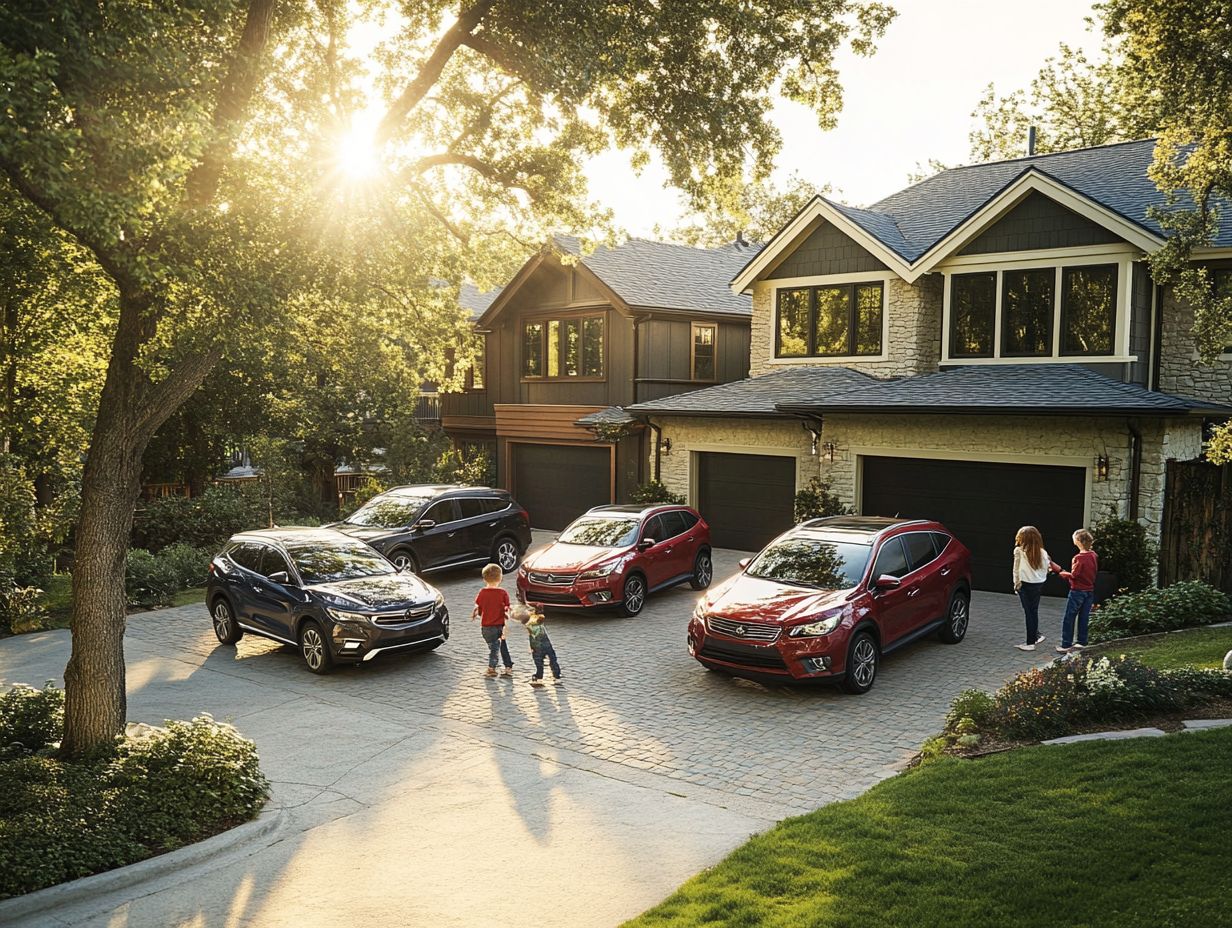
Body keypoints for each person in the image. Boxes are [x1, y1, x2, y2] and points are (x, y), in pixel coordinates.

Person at [1050, 528, 1098, 654]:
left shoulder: (1078, 558)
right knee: (1084, 617)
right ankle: (1082, 642)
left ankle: (1066, 645)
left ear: (1078, 541)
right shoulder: (1093, 555)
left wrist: (1060, 572)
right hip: (1089, 590)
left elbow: (1074, 575)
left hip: (1077, 591)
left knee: (1069, 617)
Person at [471, 563, 514, 677]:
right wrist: (506, 614)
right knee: (500, 646)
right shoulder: (502, 593)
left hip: (486, 626)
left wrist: (477, 613)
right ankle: (507, 667)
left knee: (495, 647)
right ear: (500, 578)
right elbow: (507, 608)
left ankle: (492, 668)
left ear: (484, 578)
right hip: (500, 625)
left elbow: (478, 608)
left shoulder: (482, 593)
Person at [1012, 525, 1050, 651]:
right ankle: (1036, 636)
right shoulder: (1042, 552)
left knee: (1029, 613)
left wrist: (1016, 584)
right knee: (1033, 611)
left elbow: (1016, 570)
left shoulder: (1019, 551)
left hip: (1025, 584)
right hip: (1038, 584)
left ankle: (1030, 643)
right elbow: (1046, 568)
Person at [512, 603, 562, 687]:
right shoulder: (538, 620)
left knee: (538, 661)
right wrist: (538, 608)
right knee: (552, 659)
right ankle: (557, 676)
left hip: (536, 646)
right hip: (546, 643)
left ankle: (539, 677)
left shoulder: (529, 625)